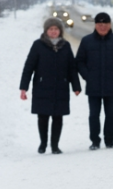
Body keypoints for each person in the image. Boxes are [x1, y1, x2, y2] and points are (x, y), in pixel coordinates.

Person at [19, 16, 80, 154]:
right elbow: (29, 67)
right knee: (43, 117)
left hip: (61, 87)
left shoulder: (65, 46)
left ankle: (55, 145)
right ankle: (43, 143)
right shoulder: (38, 45)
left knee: (58, 117)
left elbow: (72, 68)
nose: (53, 31)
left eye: (56, 29)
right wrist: (24, 87)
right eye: (51, 29)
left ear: (60, 31)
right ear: (46, 31)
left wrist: (76, 86)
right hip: (42, 87)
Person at [76, 12, 113, 150]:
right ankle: (95, 141)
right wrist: (87, 76)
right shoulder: (87, 41)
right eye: (99, 24)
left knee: (110, 115)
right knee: (94, 115)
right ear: (95, 25)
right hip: (93, 84)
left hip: (111, 84)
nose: (102, 26)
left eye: (105, 23)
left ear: (109, 24)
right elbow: (80, 61)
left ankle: (109, 140)